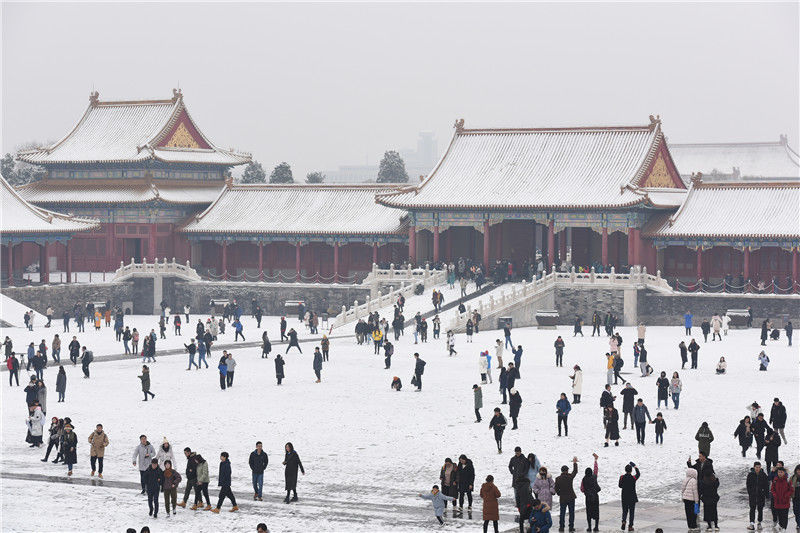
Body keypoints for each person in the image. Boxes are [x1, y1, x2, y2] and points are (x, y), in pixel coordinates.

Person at [554, 457, 578, 532]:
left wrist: (559, 493)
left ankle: (561, 527)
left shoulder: (558, 478)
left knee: (562, 513)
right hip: (571, 497)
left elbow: (556, 489)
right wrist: (574, 463)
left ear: (561, 471)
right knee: (571, 513)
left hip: (563, 498)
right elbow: (575, 471)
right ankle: (571, 527)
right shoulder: (570, 477)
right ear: (567, 470)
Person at [580, 454, 601, 532]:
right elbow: (596, 469)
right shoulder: (594, 477)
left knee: (589, 512)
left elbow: (582, 489)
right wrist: (595, 461)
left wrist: (586, 491)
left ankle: (589, 527)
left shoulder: (584, 479)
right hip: (595, 497)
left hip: (588, 498)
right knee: (596, 511)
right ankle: (596, 527)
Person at [747, 462, 769, 530]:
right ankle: (751, 523)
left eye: (759, 467)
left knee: (760, 509)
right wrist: (750, 493)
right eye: (756, 467)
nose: (758, 469)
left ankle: (759, 523)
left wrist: (766, 494)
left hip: (761, 495)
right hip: (753, 495)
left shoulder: (763, 475)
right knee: (752, 509)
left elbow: (766, 485)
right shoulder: (750, 474)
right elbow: (748, 485)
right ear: (754, 467)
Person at [619, 463, 640, 531]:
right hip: (632, 497)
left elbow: (620, 486)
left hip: (624, 496)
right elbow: (638, 474)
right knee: (631, 512)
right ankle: (630, 526)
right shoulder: (633, 478)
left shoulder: (622, 477)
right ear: (631, 470)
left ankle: (623, 521)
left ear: (625, 470)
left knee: (625, 511)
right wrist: (635, 466)